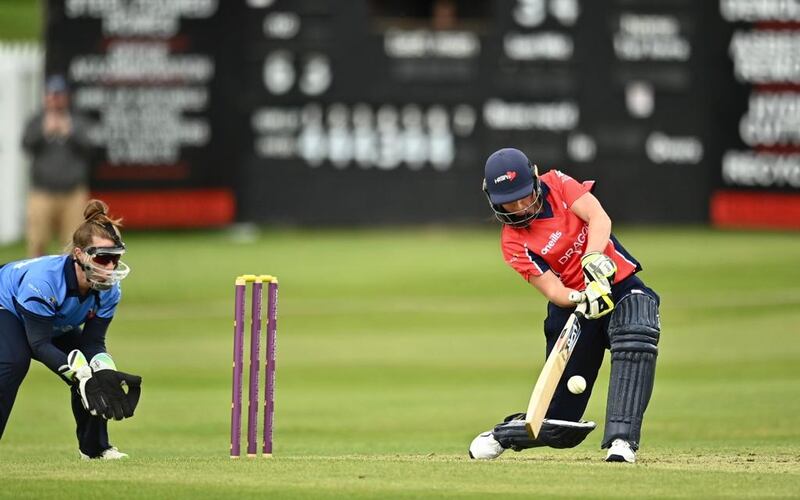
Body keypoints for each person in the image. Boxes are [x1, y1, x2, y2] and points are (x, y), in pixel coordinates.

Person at [469, 148, 661, 463]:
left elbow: (598, 217)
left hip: (617, 284)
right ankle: (503, 435)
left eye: (523, 196)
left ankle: (621, 442)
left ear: (535, 180)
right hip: (575, 310)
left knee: (637, 326)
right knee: (559, 424)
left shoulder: (557, 183)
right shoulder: (513, 242)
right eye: (509, 202)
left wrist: (593, 260)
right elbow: (554, 290)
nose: (519, 207)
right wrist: (581, 297)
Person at [0, 199, 142, 459]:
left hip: (49, 320)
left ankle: (95, 449)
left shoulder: (109, 290)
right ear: (79, 254)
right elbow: (39, 344)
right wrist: (79, 375)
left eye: (115, 258)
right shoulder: (44, 282)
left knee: (94, 374)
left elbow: (93, 342)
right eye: (103, 258)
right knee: (14, 361)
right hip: (7, 306)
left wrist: (104, 370)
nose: (110, 267)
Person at [21, 74, 94, 257]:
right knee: (37, 242)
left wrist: (70, 132)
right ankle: (37, 275)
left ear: (66, 97)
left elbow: (90, 148)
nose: (55, 99)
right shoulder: (37, 120)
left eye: (59, 95)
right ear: (46, 96)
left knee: (75, 244)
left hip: (72, 193)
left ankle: (70, 275)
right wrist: (43, 132)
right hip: (42, 192)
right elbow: (26, 144)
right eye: (52, 94)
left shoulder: (78, 121)